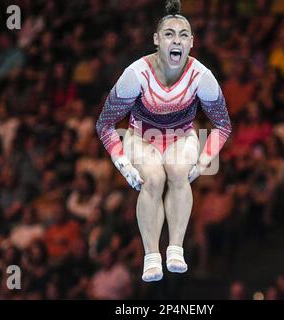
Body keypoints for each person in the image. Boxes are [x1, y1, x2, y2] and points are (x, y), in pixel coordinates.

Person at [96, 0, 232, 282]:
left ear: (192, 42)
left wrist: (204, 161)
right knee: (154, 180)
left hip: (181, 136)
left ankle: (175, 248)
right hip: (141, 137)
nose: (176, 40)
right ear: (156, 39)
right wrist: (123, 164)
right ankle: (150, 256)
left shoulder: (202, 77)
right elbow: (105, 124)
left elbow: (223, 126)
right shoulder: (136, 75)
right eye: (169, 33)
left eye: (183, 35)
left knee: (179, 172)